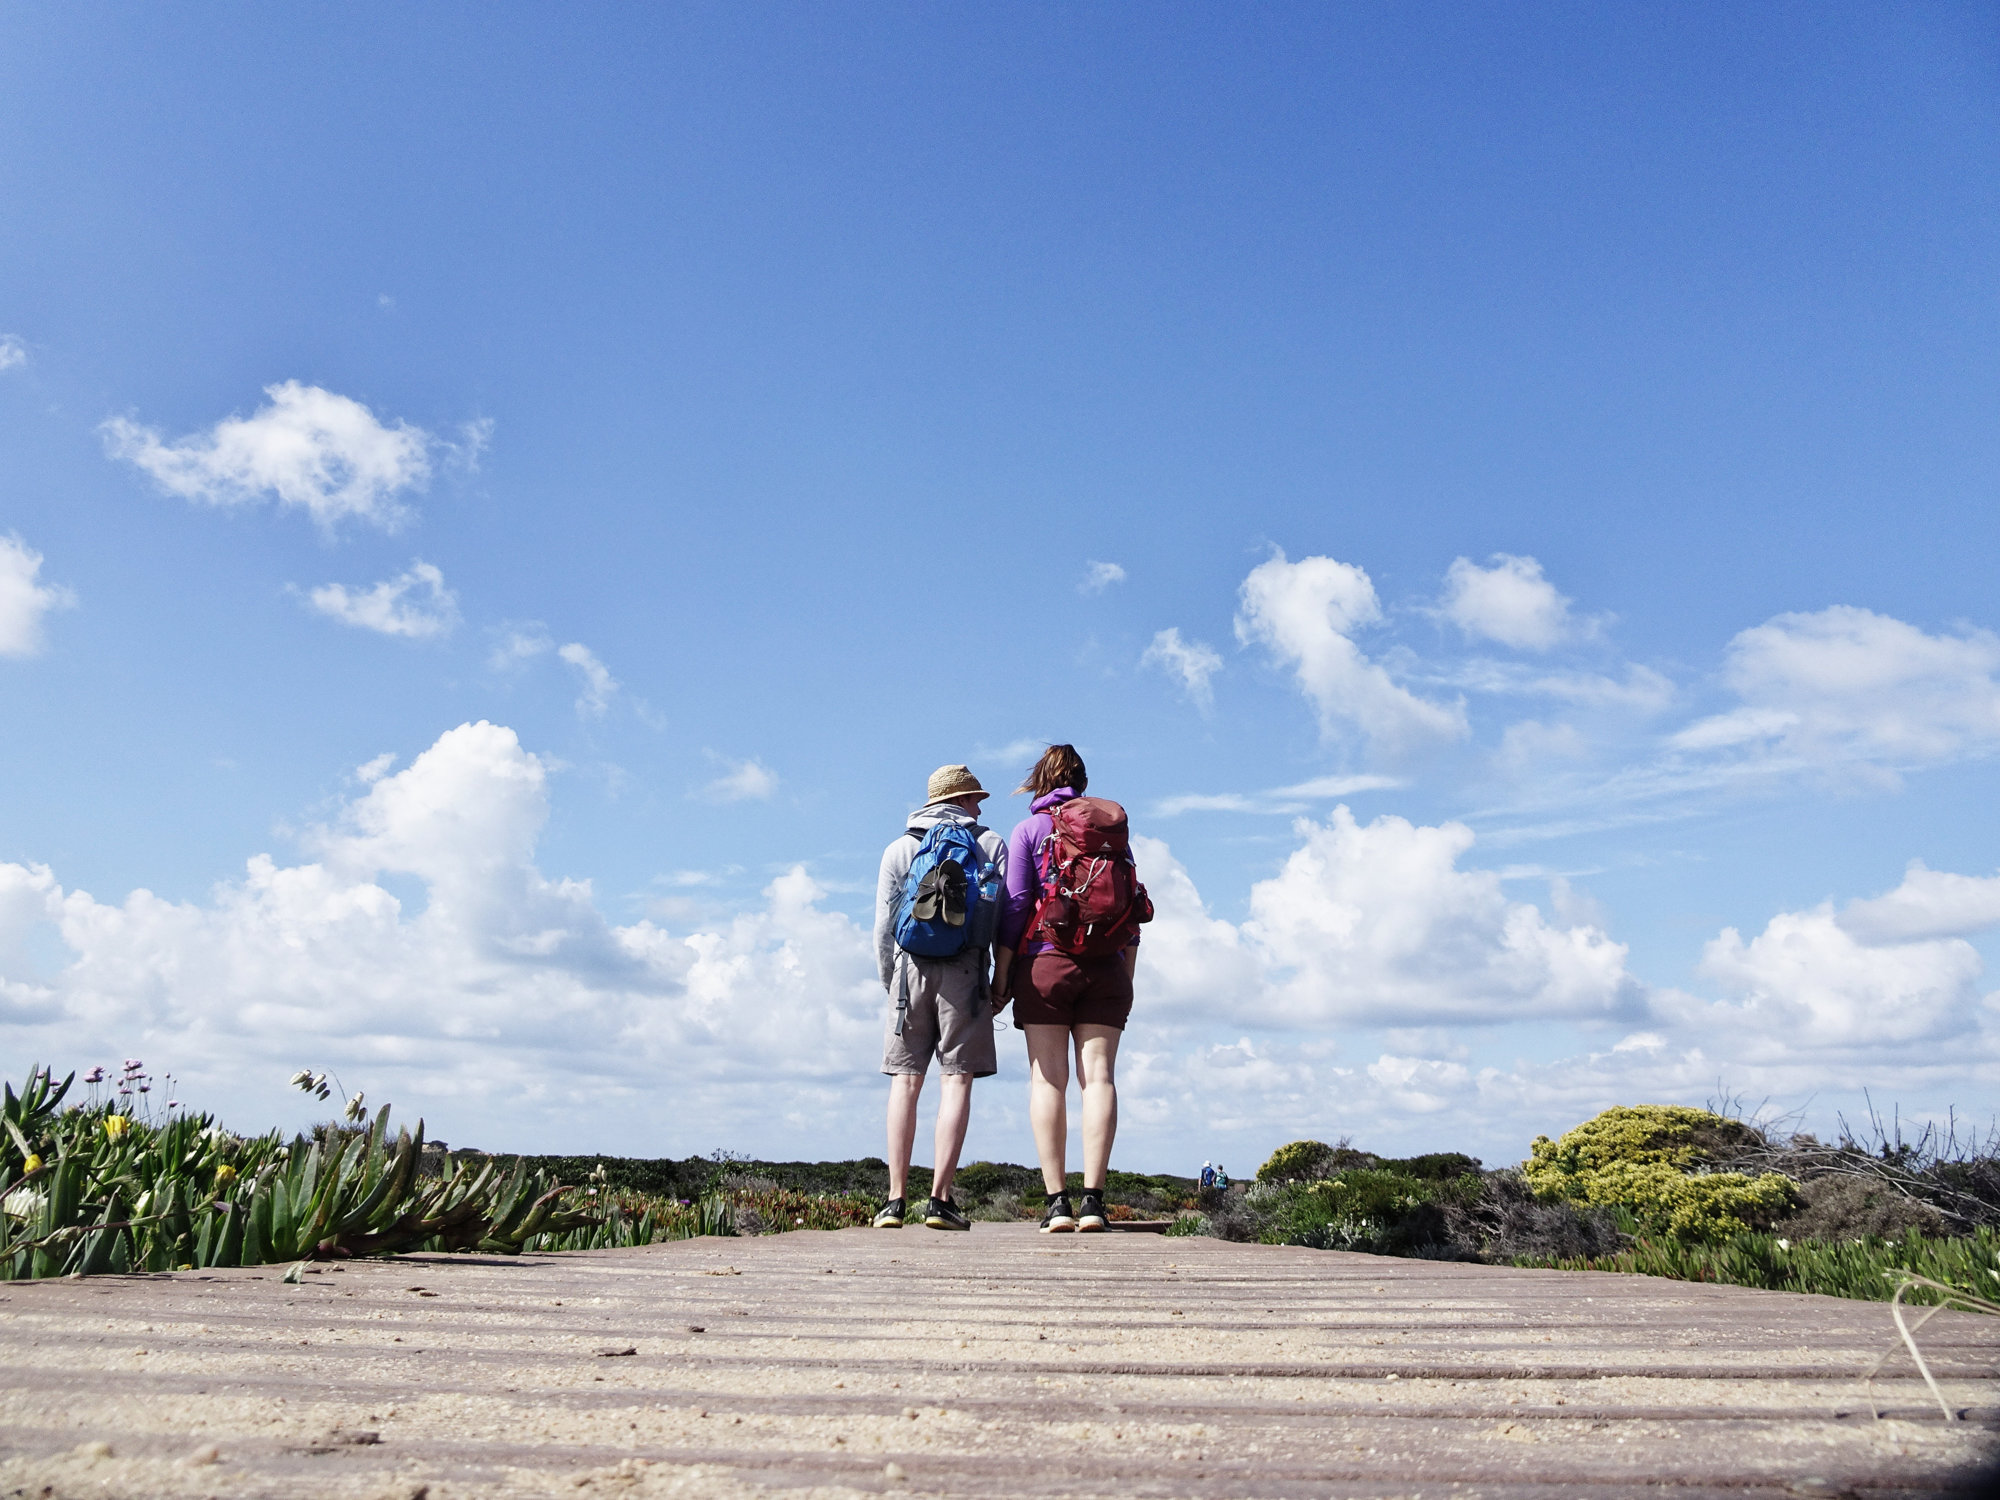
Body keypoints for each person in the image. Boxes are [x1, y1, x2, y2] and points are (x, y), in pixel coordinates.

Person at [993, 744, 1148, 1233]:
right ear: (1082, 783)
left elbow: (1017, 905)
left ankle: (1057, 1203)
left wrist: (1002, 977)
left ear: (1038, 782)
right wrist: (1126, 973)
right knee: (1098, 1078)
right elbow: (1130, 907)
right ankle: (1095, 1203)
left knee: (1048, 1081)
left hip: (1045, 965)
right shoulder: (1110, 831)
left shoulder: (1029, 830)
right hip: (1107, 966)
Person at [871, 764, 1007, 1232]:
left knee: (905, 1081)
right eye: (976, 798)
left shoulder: (899, 847)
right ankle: (939, 1200)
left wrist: (892, 980)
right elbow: (992, 918)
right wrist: (987, 977)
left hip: (909, 973)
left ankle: (893, 1201)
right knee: (956, 1081)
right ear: (964, 800)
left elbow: (883, 929)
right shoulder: (989, 845)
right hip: (964, 971)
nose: (981, 806)